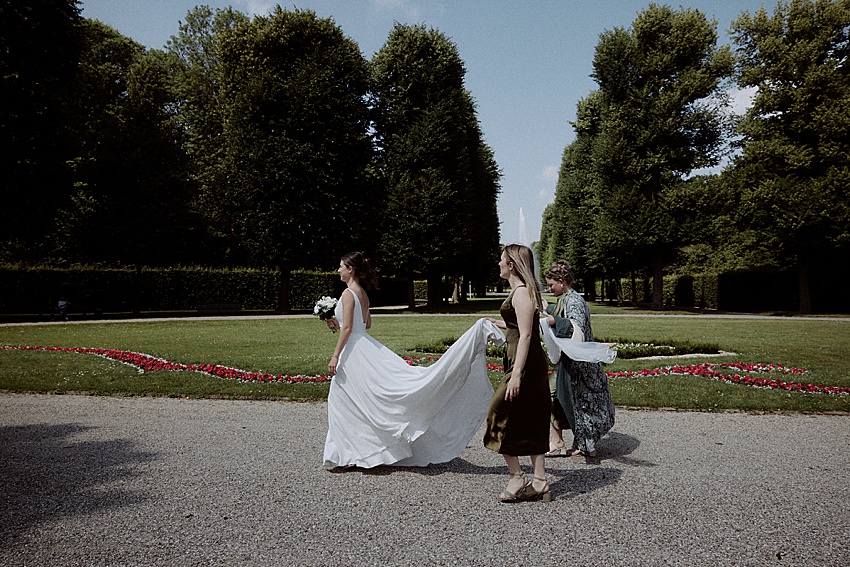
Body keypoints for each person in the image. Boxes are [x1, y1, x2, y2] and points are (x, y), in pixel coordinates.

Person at [323, 251, 504, 470]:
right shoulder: (361, 292)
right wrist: (336, 322)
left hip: (353, 352)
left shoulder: (347, 294)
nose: (339, 270)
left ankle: (351, 455)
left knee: (346, 402)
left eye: (341, 266)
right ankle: (359, 453)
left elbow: (350, 328)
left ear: (350, 269)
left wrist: (335, 355)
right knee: (358, 401)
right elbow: (366, 324)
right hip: (364, 346)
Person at [484, 244, 552, 502]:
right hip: (525, 362)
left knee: (497, 413)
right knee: (532, 416)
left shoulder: (521, 292)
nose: (498, 264)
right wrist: (497, 323)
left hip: (525, 364)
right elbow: (520, 324)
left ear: (511, 265)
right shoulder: (520, 292)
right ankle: (540, 480)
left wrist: (516, 375)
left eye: (501, 260)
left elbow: (526, 335)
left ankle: (517, 476)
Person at [542, 259, 615, 458]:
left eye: (551, 284)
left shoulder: (574, 300)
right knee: (562, 396)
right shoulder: (567, 298)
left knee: (583, 401)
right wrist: (548, 309)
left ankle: (583, 444)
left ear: (561, 280)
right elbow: (562, 315)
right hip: (572, 359)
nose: (549, 288)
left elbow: (576, 327)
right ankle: (567, 441)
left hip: (579, 362)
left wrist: (551, 320)